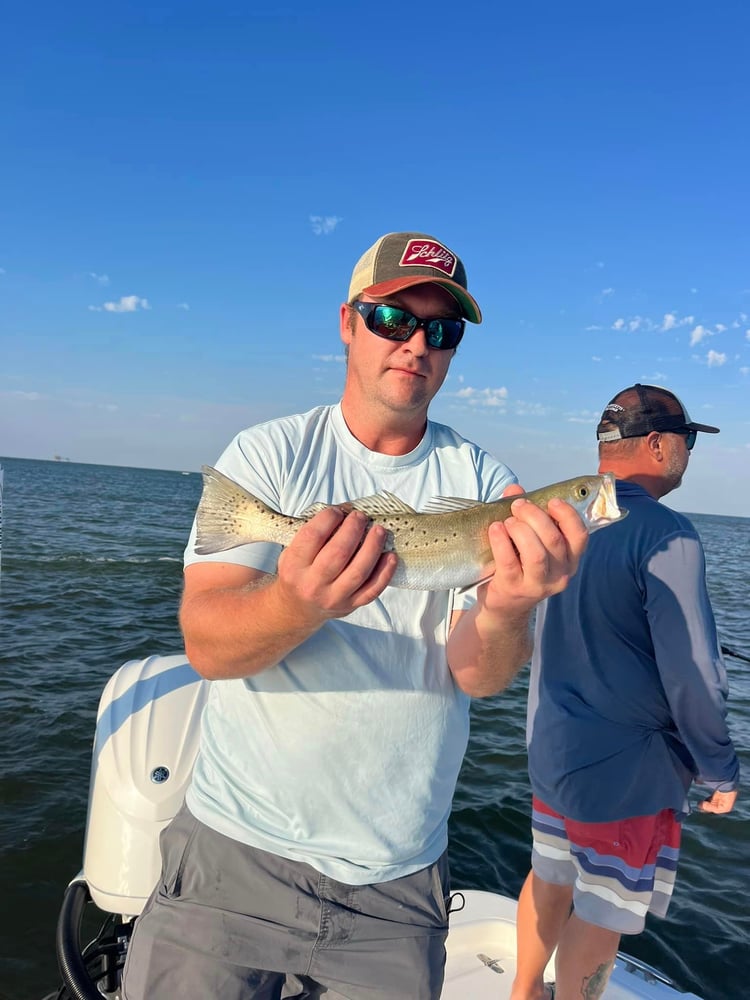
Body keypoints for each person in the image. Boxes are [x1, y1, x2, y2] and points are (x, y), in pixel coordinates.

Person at [121, 231, 589, 1000]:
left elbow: (480, 674)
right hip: (231, 858)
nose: (416, 345)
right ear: (347, 322)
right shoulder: (268, 453)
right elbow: (206, 643)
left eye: (441, 330)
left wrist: (509, 605)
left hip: (398, 886)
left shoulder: (486, 483)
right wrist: (296, 601)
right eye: (393, 319)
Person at [510, 384, 740, 1000]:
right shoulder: (669, 533)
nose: (689, 454)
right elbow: (694, 672)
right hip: (628, 780)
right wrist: (719, 769)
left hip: (553, 758)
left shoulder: (562, 522)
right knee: (605, 911)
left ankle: (523, 991)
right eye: (688, 441)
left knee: (549, 879)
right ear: (661, 443)